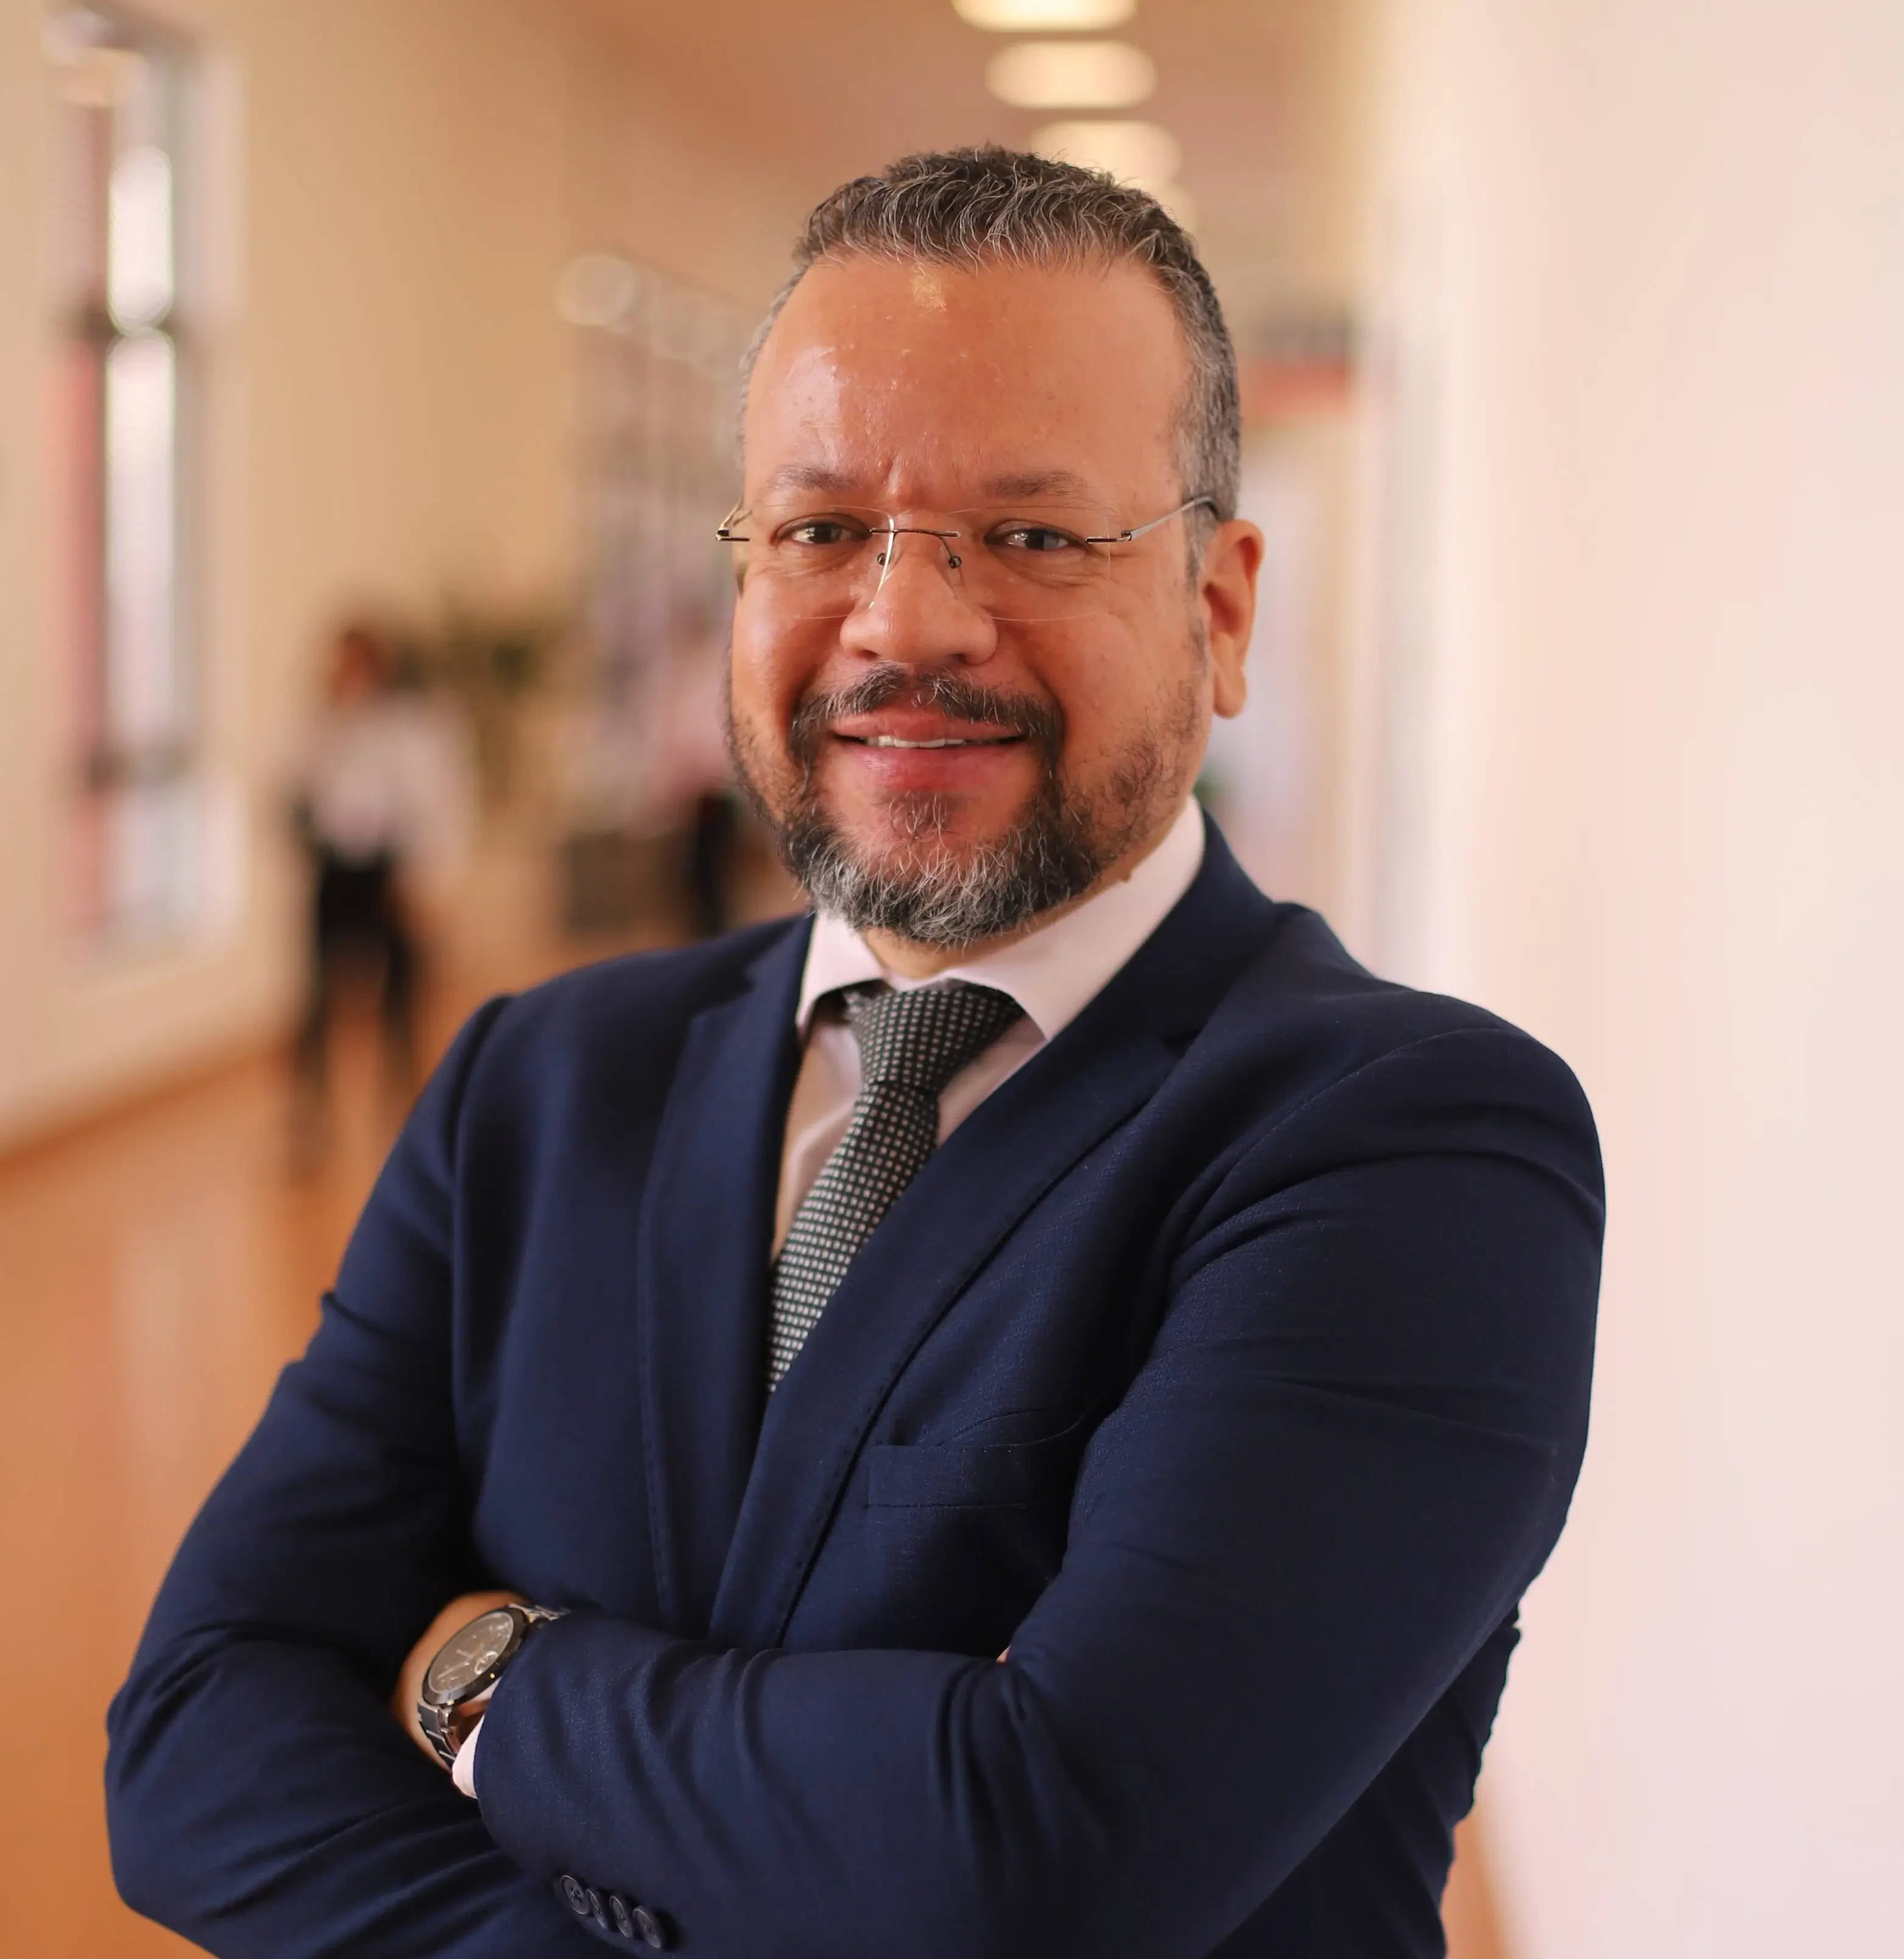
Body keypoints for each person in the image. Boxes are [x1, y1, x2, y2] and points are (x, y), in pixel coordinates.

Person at [107, 149, 1603, 1958]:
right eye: (819, 530)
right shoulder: (537, 1086)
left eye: (1035, 534)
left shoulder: (1406, 1146)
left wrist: (478, 1671)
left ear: (1218, 606)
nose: (902, 622)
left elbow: (1043, 1850)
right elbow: (192, 1725)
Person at [287, 621, 469, 1152]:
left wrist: (426, 881)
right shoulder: (316, 726)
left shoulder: (411, 728)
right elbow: (293, 788)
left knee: (401, 1001)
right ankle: (311, 1115)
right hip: (336, 868)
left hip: (390, 872)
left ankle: (406, 1109)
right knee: (318, 996)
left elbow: (437, 806)